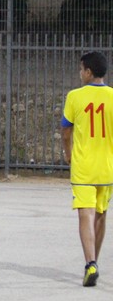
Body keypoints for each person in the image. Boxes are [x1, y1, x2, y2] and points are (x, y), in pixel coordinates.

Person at [61, 50, 113, 287]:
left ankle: (90, 263)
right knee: (101, 215)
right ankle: (95, 263)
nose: (80, 73)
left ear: (89, 72)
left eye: (81, 69)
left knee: (85, 214)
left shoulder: (75, 97)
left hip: (83, 167)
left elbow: (65, 130)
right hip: (107, 167)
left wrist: (68, 154)